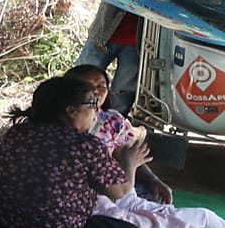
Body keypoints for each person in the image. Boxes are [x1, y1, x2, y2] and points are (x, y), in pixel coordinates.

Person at [0, 75, 149, 228]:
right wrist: (130, 163)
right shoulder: (87, 144)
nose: (96, 112)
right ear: (71, 110)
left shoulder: (20, 131)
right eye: (92, 104)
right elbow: (119, 192)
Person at [76, 0, 169, 115]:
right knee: (81, 81)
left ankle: (112, 126)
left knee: (123, 91)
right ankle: (73, 119)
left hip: (140, 43)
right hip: (104, 33)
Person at [62, 63, 173, 203]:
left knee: (154, 196)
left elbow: (128, 158)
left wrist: (152, 179)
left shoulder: (113, 121)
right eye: (87, 86)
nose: (95, 92)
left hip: (115, 185)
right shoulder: (62, 124)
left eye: (101, 87)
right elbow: (120, 192)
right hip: (89, 191)